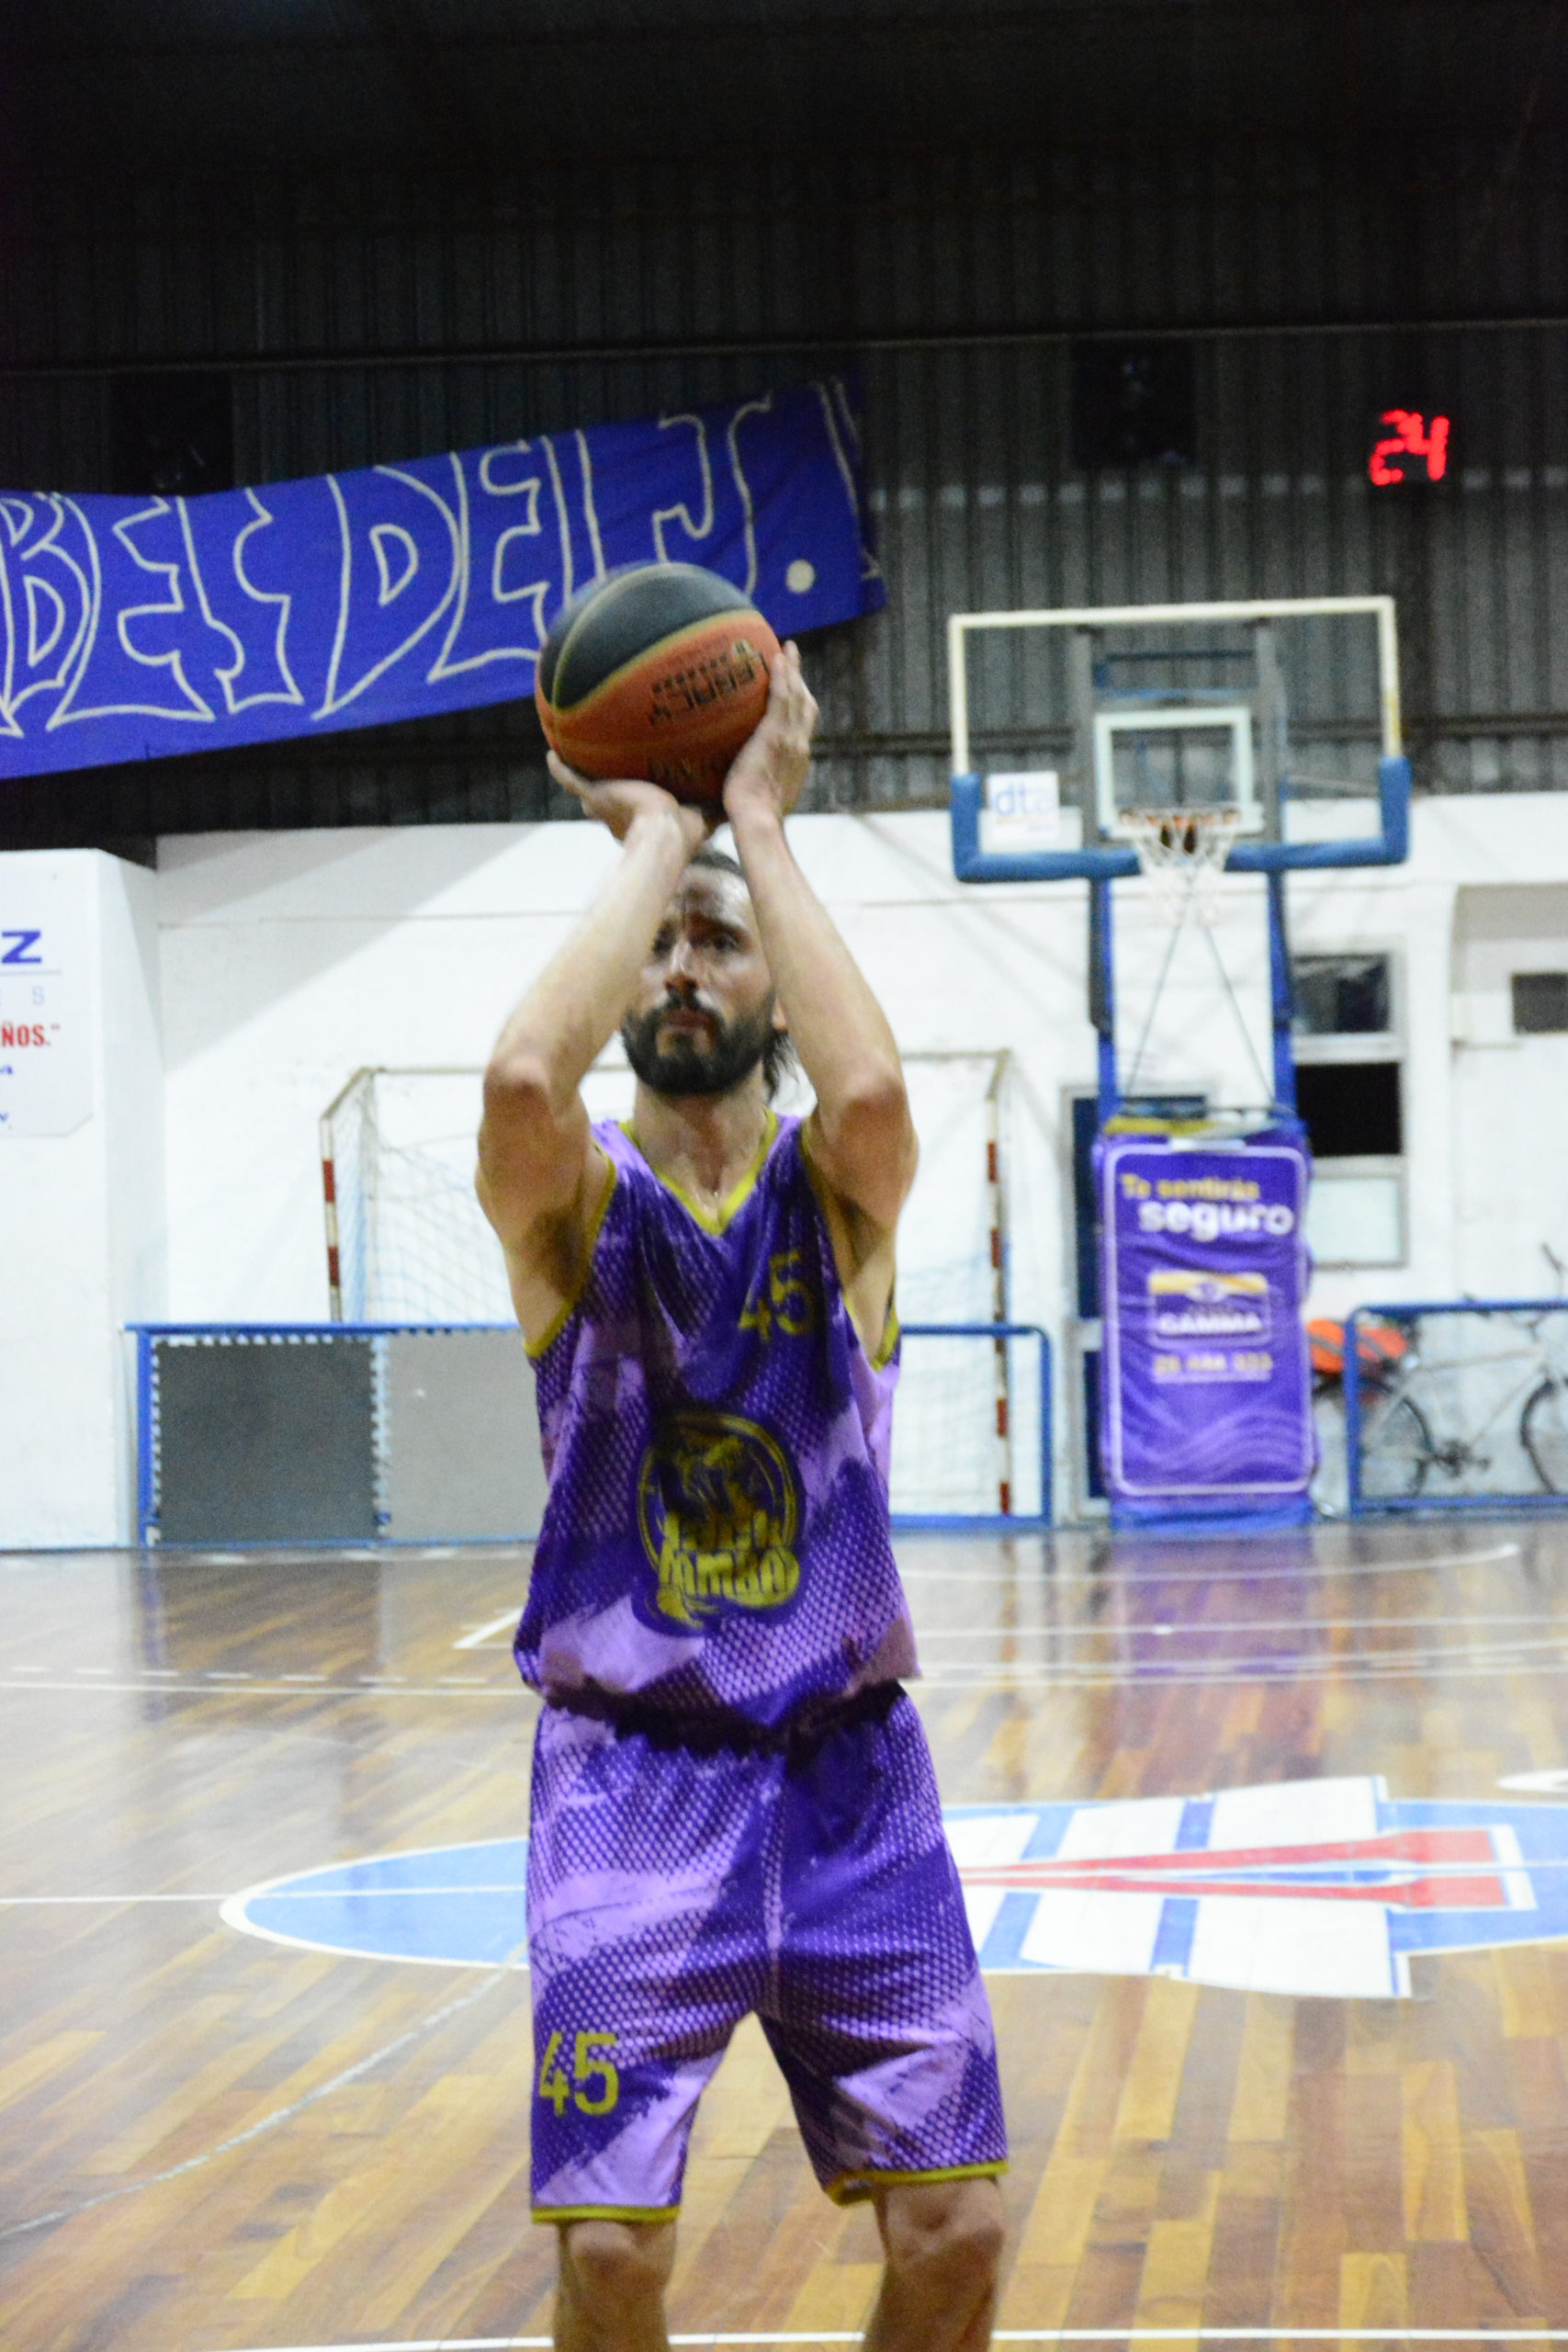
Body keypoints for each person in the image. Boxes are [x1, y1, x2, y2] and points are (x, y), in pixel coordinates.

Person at [477, 641, 1008, 2352]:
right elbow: (520, 1081)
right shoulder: (572, 1206)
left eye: (720, 943)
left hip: (852, 1774)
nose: (685, 969)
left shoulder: (839, 1203)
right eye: (663, 945)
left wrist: (758, 824)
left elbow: (872, 1095)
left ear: (778, 977)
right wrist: (654, 838)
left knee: (958, 2233)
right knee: (612, 2261)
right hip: (629, 1780)